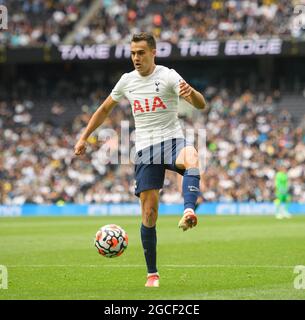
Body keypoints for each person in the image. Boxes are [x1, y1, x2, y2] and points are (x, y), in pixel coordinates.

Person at [74, 32, 206, 287]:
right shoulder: (127, 81)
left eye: (141, 53)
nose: (136, 57)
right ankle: (152, 274)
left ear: (153, 53)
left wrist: (192, 93)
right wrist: (84, 137)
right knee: (149, 213)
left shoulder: (168, 75)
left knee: (192, 156)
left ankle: (189, 209)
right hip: (145, 149)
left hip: (171, 141)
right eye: (133, 53)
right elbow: (103, 110)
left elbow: (200, 104)